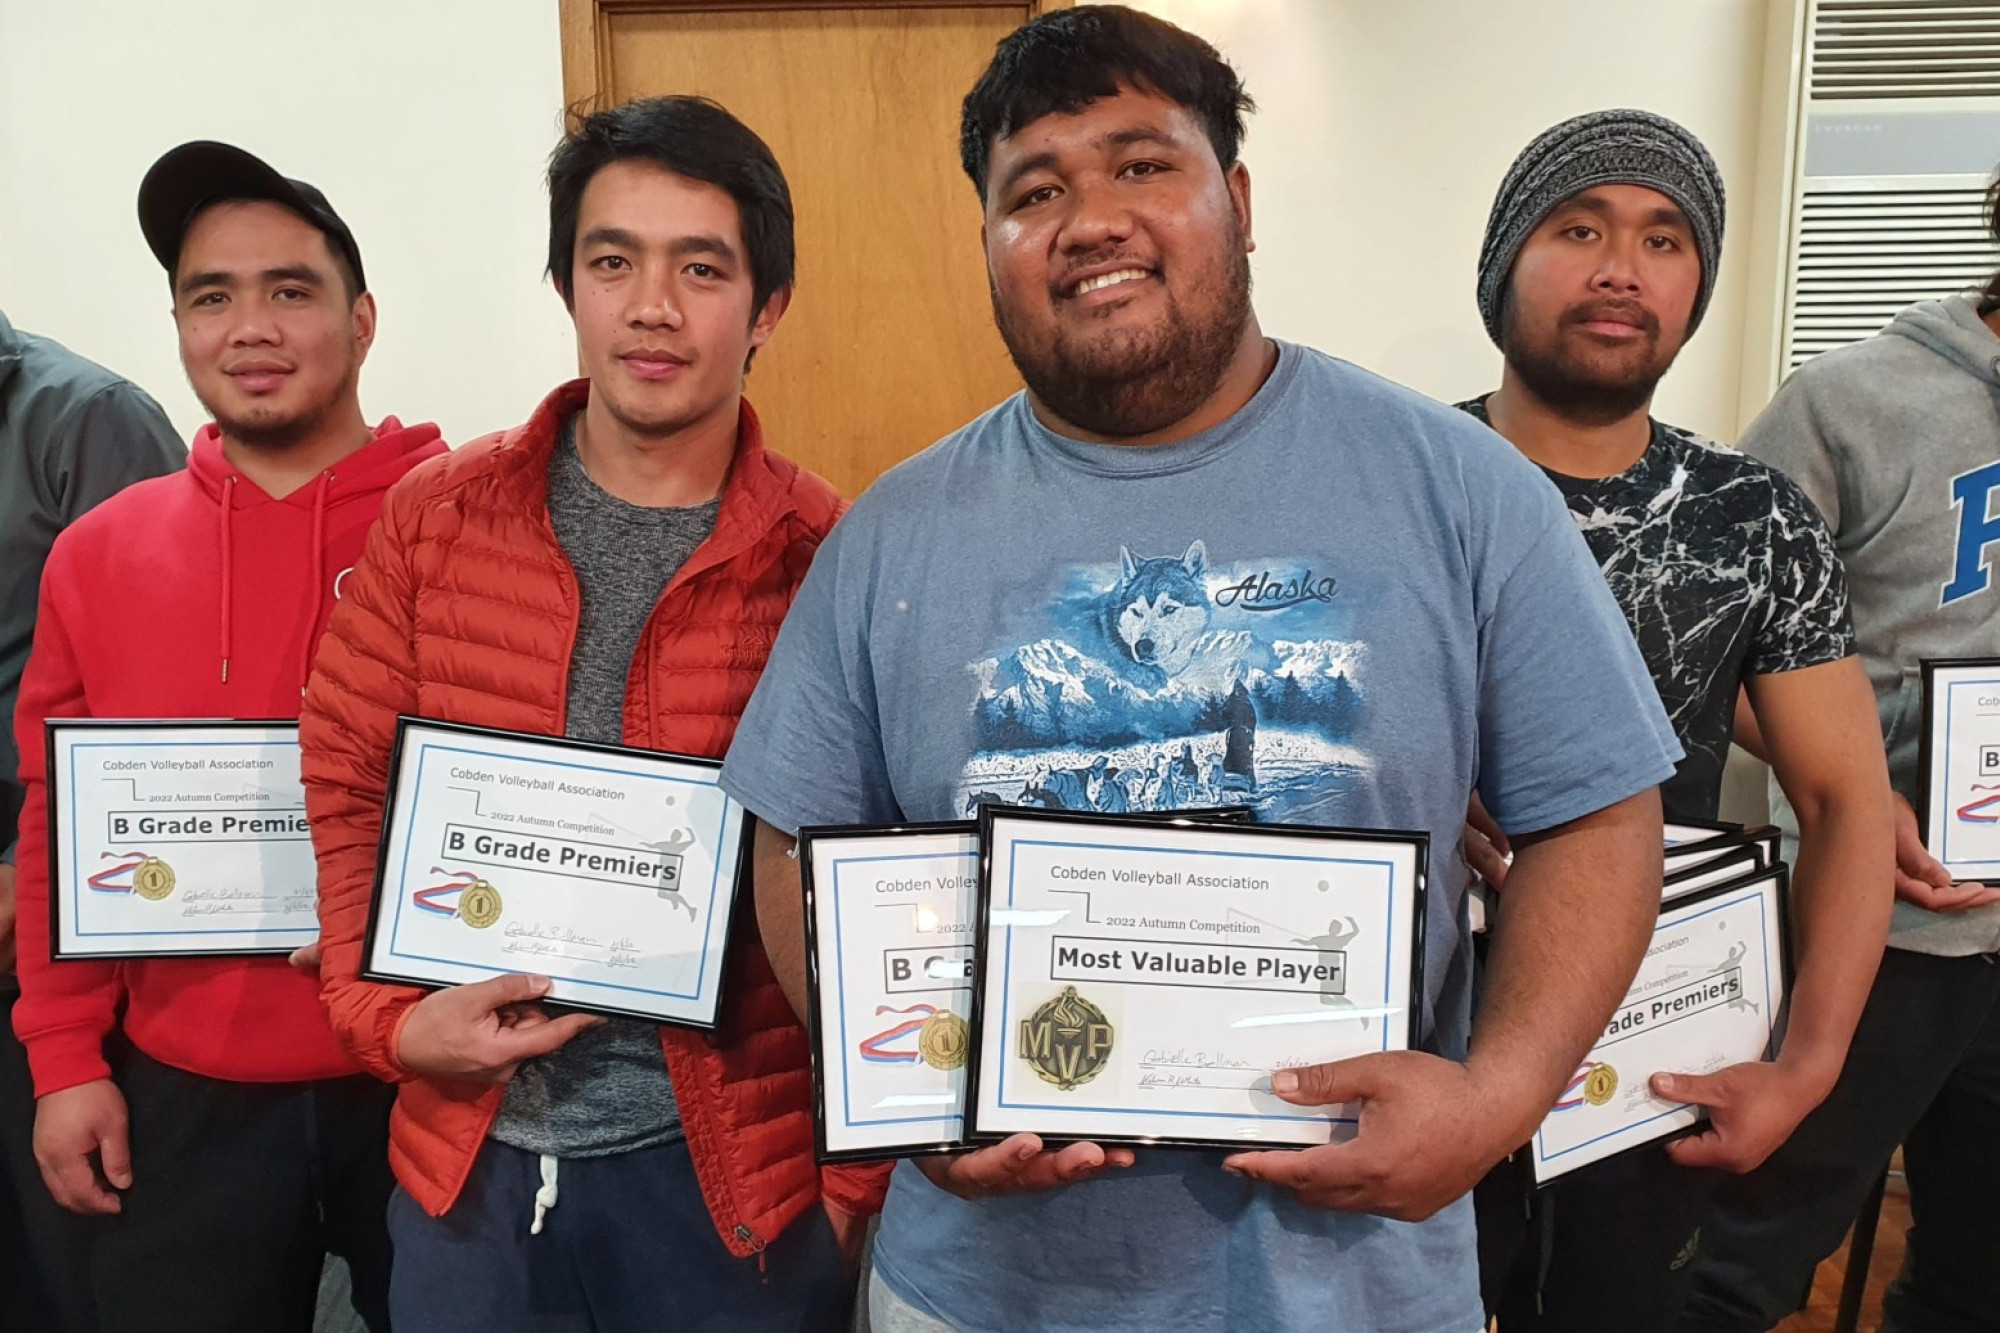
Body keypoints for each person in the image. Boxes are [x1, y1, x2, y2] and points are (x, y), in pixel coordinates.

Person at [719, 9, 1684, 1331]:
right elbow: (794, 834)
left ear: (1235, 198)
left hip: (1351, 1292)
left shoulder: (1460, 489)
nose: (1090, 219)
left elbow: (1600, 810)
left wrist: (1494, 1098)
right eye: (1033, 191)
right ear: (990, 242)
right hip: (980, 1293)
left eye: (1140, 166)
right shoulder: (894, 528)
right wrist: (899, 1086)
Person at [297, 96, 883, 1332]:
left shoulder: (830, 555)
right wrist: (390, 1026)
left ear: (765, 307)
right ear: (566, 283)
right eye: (612, 260)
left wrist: (851, 1178)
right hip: (470, 1166)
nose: (651, 305)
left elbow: (876, 873)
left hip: (729, 1188)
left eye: (700, 267)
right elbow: (350, 777)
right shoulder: (434, 518)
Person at [1456, 109, 1893, 1330]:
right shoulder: (1405, 477)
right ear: (1503, 263)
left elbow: (1846, 798)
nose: (1618, 267)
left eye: (1661, 240)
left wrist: (1802, 1071)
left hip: (1645, 1059)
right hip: (1416, 1043)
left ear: (1693, 283)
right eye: (1576, 226)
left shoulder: (1752, 517)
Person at [11, 140, 445, 1330]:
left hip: (430, 1080)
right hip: (185, 1095)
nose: (249, 325)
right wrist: (64, 1059)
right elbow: (57, 818)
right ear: (179, 325)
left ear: (360, 321)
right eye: (212, 296)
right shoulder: (99, 552)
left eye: (288, 290)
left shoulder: (468, 525)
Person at [1677, 192, 2000, 1333]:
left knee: (1976, 1276)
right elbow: (1704, 650)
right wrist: (1862, 798)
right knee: (1734, 1262)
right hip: (1871, 929)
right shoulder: (1844, 403)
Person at [0, 309, 184, 1329]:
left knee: (67, 1268)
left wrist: (25, 883)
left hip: (43, 911)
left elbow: (146, 731)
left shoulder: (87, 418)